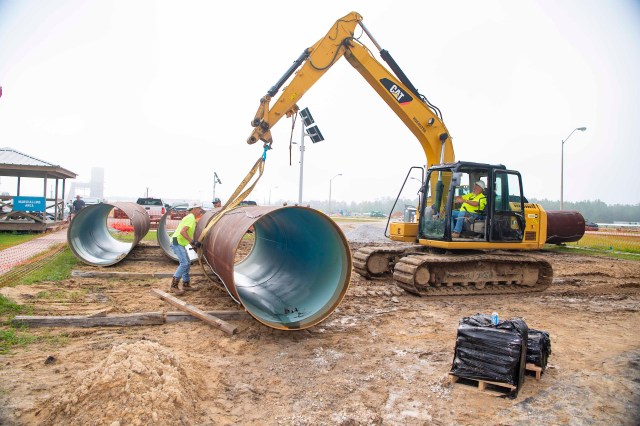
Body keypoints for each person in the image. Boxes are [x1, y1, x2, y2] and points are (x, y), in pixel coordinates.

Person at [169, 204, 205, 294]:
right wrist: (193, 242)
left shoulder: (190, 218)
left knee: (187, 263)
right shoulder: (191, 218)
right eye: (199, 209)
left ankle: (186, 284)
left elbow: (186, 234)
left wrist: (193, 245)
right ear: (194, 209)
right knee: (184, 263)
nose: (200, 211)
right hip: (176, 242)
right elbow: (182, 232)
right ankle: (173, 286)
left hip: (179, 243)